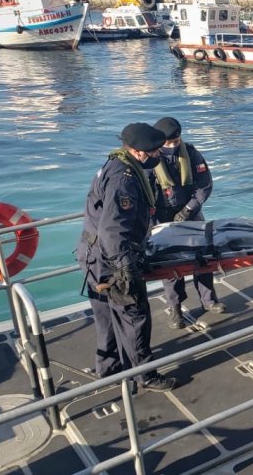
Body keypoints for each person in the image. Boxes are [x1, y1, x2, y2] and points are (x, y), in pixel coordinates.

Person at [76, 123, 176, 392]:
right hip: (111, 259)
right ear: (138, 152)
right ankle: (144, 373)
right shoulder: (125, 179)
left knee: (106, 316)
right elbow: (113, 229)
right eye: (154, 151)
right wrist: (126, 268)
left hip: (92, 255)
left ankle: (108, 368)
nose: (158, 155)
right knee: (134, 316)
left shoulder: (115, 163)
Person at [152, 117, 225, 329]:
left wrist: (188, 209)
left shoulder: (191, 154)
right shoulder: (151, 160)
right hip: (163, 217)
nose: (173, 146)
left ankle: (208, 299)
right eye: (168, 144)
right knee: (170, 265)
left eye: (176, 142)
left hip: (190, 213)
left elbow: (204, 186)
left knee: (202, 259)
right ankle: (175, 307)